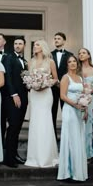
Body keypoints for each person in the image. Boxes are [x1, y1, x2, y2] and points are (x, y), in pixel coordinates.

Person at [25, 39, 59, 168]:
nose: (35, 47)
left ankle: (48, 156)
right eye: (34, 45)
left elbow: (56, 79)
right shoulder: (31, 62)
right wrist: (32, 84)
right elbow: (29, 78)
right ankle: (34, 157)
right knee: (35, 123)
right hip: (35, 94)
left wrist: (46, 83)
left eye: (37, 45)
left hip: (45, 95)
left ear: (43, 47)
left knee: (45, 122)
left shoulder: (50, 62)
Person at [57, 55, 88, 182]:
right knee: (70, 139)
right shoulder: (65, 77)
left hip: (79, 112)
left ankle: (78, 171)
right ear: (67, 65)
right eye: (70, 62)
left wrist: (85, 109)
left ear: (77, 63)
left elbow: (84, 95)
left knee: (78, 139)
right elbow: (63, 96)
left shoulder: (80, 78)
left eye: (74, 61)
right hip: (70, 111)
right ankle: (67, 171)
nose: (73, 63)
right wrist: (75, 104)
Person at [2, 36, 28, 168]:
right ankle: (9, 159)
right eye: (16, 43)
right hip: (13, 98)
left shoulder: (25, 61)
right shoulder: (8, 58)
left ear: (24, 45)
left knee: (17, 128)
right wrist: (14, 94)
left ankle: (15, 155)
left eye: (20, 43)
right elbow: (8, 77)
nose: (17, 45)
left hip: (24, 98)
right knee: (12, 127)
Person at [78, 48, 93, 160]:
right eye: (79, 53)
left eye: (83, 53)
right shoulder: (76, 70)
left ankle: (88, 153)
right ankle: (79, 151)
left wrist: (89, 91)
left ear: (88, 55)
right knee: (79, 123)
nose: (81, 55)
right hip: (78, 99)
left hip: (91, 100)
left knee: (89, 124)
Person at [51, 32, 73, 137]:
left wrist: (63, 83)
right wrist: (55, 82)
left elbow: (72, 71)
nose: (56, 40)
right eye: (55, 38)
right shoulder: (49, 55)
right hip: (52, 88)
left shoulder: (70, 55)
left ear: (64, 41)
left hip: (66, 88)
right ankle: (53, 137)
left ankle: (67, 136)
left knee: (66, 112)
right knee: (52, 112)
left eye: (59, 38)